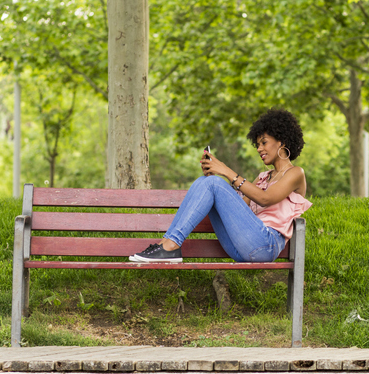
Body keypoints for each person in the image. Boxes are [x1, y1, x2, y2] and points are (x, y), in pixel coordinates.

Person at [129, 108, 312, 263]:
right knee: (207, 182)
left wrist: (224, 171)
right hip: (241, 246)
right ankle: (165, 246)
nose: (259, 149)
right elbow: (241, 208)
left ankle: (169, 247)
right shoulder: (263, 177)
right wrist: (213, 182)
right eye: (257, 145)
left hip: (266, 244)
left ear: (282, 141)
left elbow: (265, 199)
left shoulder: (296, 173)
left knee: (214, 184)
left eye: (264, 142)